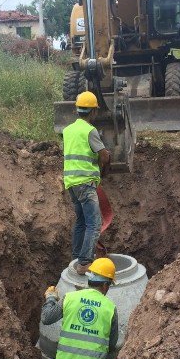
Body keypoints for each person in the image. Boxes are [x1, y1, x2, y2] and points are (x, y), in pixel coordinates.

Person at [62, 91, 111, 275]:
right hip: (85, 183)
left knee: (81, 221)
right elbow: (104, 155)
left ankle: (76, 257)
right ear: (93, 112)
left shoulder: (68, 131)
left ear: (77, 110)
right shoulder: (90, 131)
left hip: (71, 183)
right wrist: (104, 162)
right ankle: (84, 263)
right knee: (94, 223)